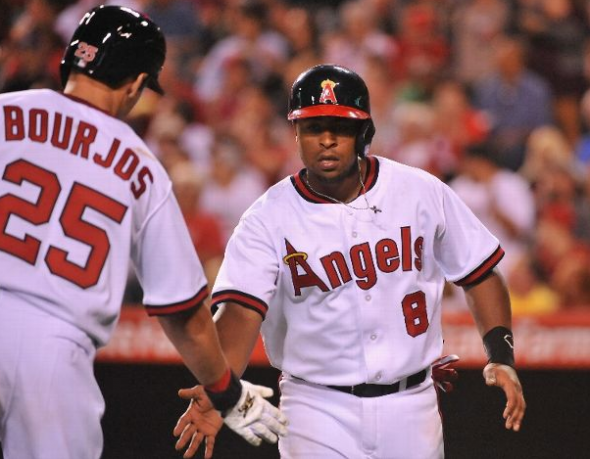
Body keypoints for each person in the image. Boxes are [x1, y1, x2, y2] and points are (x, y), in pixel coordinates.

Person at [175, 64, 526, 458]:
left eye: (339, 128)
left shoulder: (419, 191)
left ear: (364, 133)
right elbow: (240, 311)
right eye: (312, 128)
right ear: (295, 133)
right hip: (314, 407)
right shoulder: (267, 216)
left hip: (411, 404)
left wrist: (501, 355)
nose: (326, 140)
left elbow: (479, 271)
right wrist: (219, 387)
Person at [0, 6, 286, 459]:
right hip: (53, 355)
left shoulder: (4, 112)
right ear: (135, 83)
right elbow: (187, 316)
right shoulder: (141, 167)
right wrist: (227, 390)